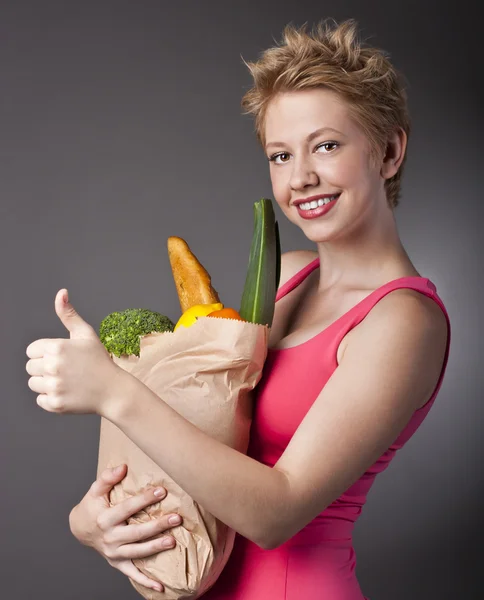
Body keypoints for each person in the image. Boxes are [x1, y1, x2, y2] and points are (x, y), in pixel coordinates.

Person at [28, 18, 451, 600]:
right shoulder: (291, 273)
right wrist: (92, 523)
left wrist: (115, 394)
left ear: (389, 151)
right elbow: (204, 435)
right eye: (280, 155)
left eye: (326, 145)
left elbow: (277, 510)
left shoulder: (405, 321)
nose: (301, 177)